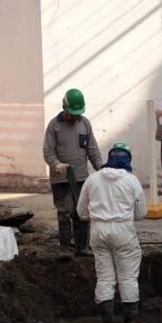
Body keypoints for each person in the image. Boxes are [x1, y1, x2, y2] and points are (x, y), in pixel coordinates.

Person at [77, 143, 146, 323]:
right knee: (127, 275)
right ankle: (129, 317)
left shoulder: (92, 179)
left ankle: (107, 316)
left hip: (98, 231)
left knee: (105, 274)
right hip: (123, 230)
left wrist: (97, 217)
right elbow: (141, 213)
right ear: (127, 160)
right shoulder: (131, 180)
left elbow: (81, 211)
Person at [43, 88, 103, 256]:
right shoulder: (54, 126)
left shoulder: (85, 124)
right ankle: (64, 249)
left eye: (77, 114)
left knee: (81, 212)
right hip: (61, 179)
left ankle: (82, 247)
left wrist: (101, 168)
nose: (74, 117)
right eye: (72, 113)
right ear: (64, 108)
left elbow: (92, 149)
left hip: (81, 177)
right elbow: (48, 151)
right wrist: (56, 165)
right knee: (64, 212)